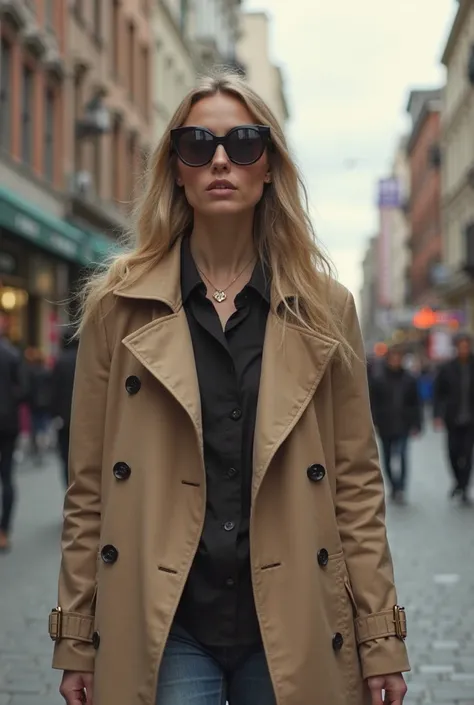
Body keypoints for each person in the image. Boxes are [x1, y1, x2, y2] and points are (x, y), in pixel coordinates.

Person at [49, 71, 409, 705]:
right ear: (177, 169)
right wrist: (76, 637)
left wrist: (380, 640)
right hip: (166, 622)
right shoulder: (117, 306)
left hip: (291, 618)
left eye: (244, 143)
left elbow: (355, 484)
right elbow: (88, 488)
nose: (221, 159)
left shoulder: (326, 308)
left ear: (268, 166)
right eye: (198, 144)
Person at [370, 346, 422, 504]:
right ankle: (393, 484)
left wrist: (417, 424)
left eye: (398, 357)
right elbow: (374, 403)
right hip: (386, 424)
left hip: (403, 423)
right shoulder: (378, 379)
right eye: (393, 357)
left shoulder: (409, 379)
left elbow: (416, 403)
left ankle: (401, 487)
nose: (396, 360)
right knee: (386, 458)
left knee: (402, 455)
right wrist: (375, 422)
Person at [434, 333, 474, 505]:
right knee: (452, 452)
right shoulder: (447, 367)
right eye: (461, 346)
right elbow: (438, 393)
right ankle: (458, 481)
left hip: (471, 419)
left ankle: (464, 487)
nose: (464, 349)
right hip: (452, 418)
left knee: (467, 453)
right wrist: (437, 415)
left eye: (466, 346)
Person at [0, 321, 24, 551]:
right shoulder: (12, 354)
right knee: (7, 477)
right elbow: (23, 389)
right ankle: (4, 531)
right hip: (8, 422)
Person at [50, 328, 79, 488]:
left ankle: (68, 492)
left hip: (64, 418)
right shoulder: (85, 359)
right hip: (84, 418)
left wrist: (54, 414)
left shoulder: (60, 362)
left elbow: (54, 390)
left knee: (65, 458)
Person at [26, 348, 52, 464]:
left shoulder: (31, 373)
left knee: (36, 425)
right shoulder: (47, 372)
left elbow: (28, 389)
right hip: (46, 403)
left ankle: (38, 445)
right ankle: (43, 444)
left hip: (34, 403)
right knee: (44, 425)